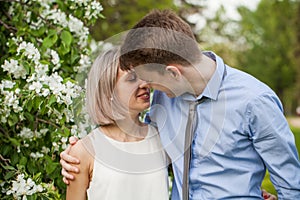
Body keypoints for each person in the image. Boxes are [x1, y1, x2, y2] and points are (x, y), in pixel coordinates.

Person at [60, 10, 300, 199]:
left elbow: (291, 186)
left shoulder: (254, 101)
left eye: (150, 80)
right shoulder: (166, 99)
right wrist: (78, 156)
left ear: (173, 73)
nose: (149, 88)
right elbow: (134, 143)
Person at [65, 47, 169, 200]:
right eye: (132, 78)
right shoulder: (84, 151)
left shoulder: (162, 138)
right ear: (108, 92)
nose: (145, 83)